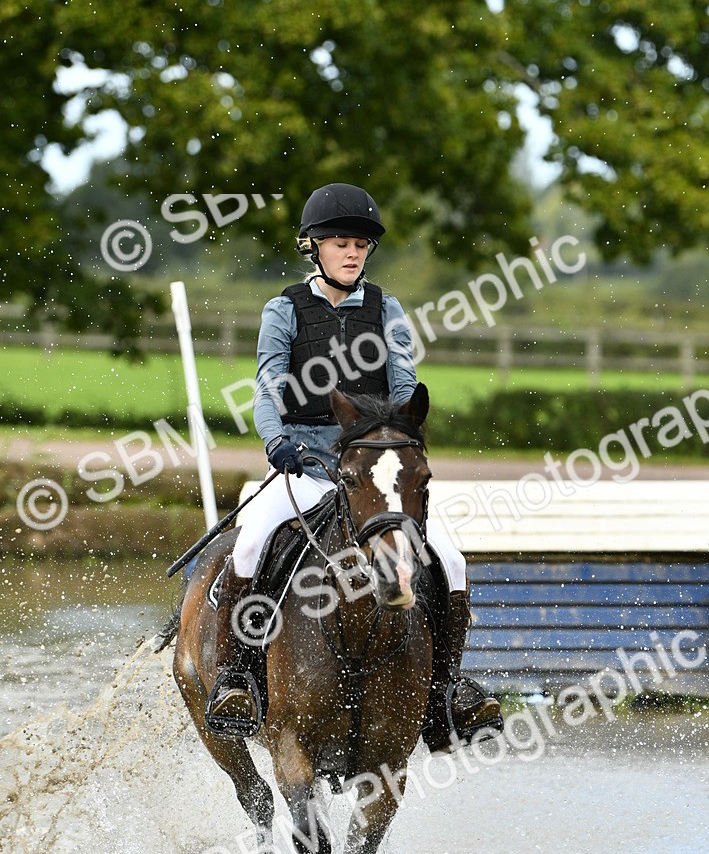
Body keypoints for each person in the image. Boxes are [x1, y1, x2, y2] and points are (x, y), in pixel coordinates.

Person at [206, 182, 503, 750]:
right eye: (340, 242)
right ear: (313, 246)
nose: (352, 253)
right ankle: (236, 677)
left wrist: (406, 428)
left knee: (453, 561)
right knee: (249, 546)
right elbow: (268, 390)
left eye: (360, 245)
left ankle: (447, 691)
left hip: (369, 468)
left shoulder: (385, 308)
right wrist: (276, 441)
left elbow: (403, 381)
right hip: (304, 465)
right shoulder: (284, 310)